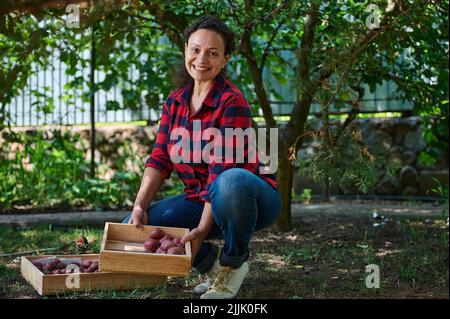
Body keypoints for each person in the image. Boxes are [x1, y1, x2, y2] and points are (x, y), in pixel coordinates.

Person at [122, 15, 280, 299]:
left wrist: (202, 228)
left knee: (230, 181)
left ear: (225, 59)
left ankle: (234, 264)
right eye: (195, 49)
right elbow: (160, 158)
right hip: (201, 198)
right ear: (185, 50)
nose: (202, 58)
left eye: (213, 52)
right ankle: (210, 262)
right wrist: (139, 205)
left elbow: (222, 170)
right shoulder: (175, 102)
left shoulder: (232, 101)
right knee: (132, 228)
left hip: (250, 198)